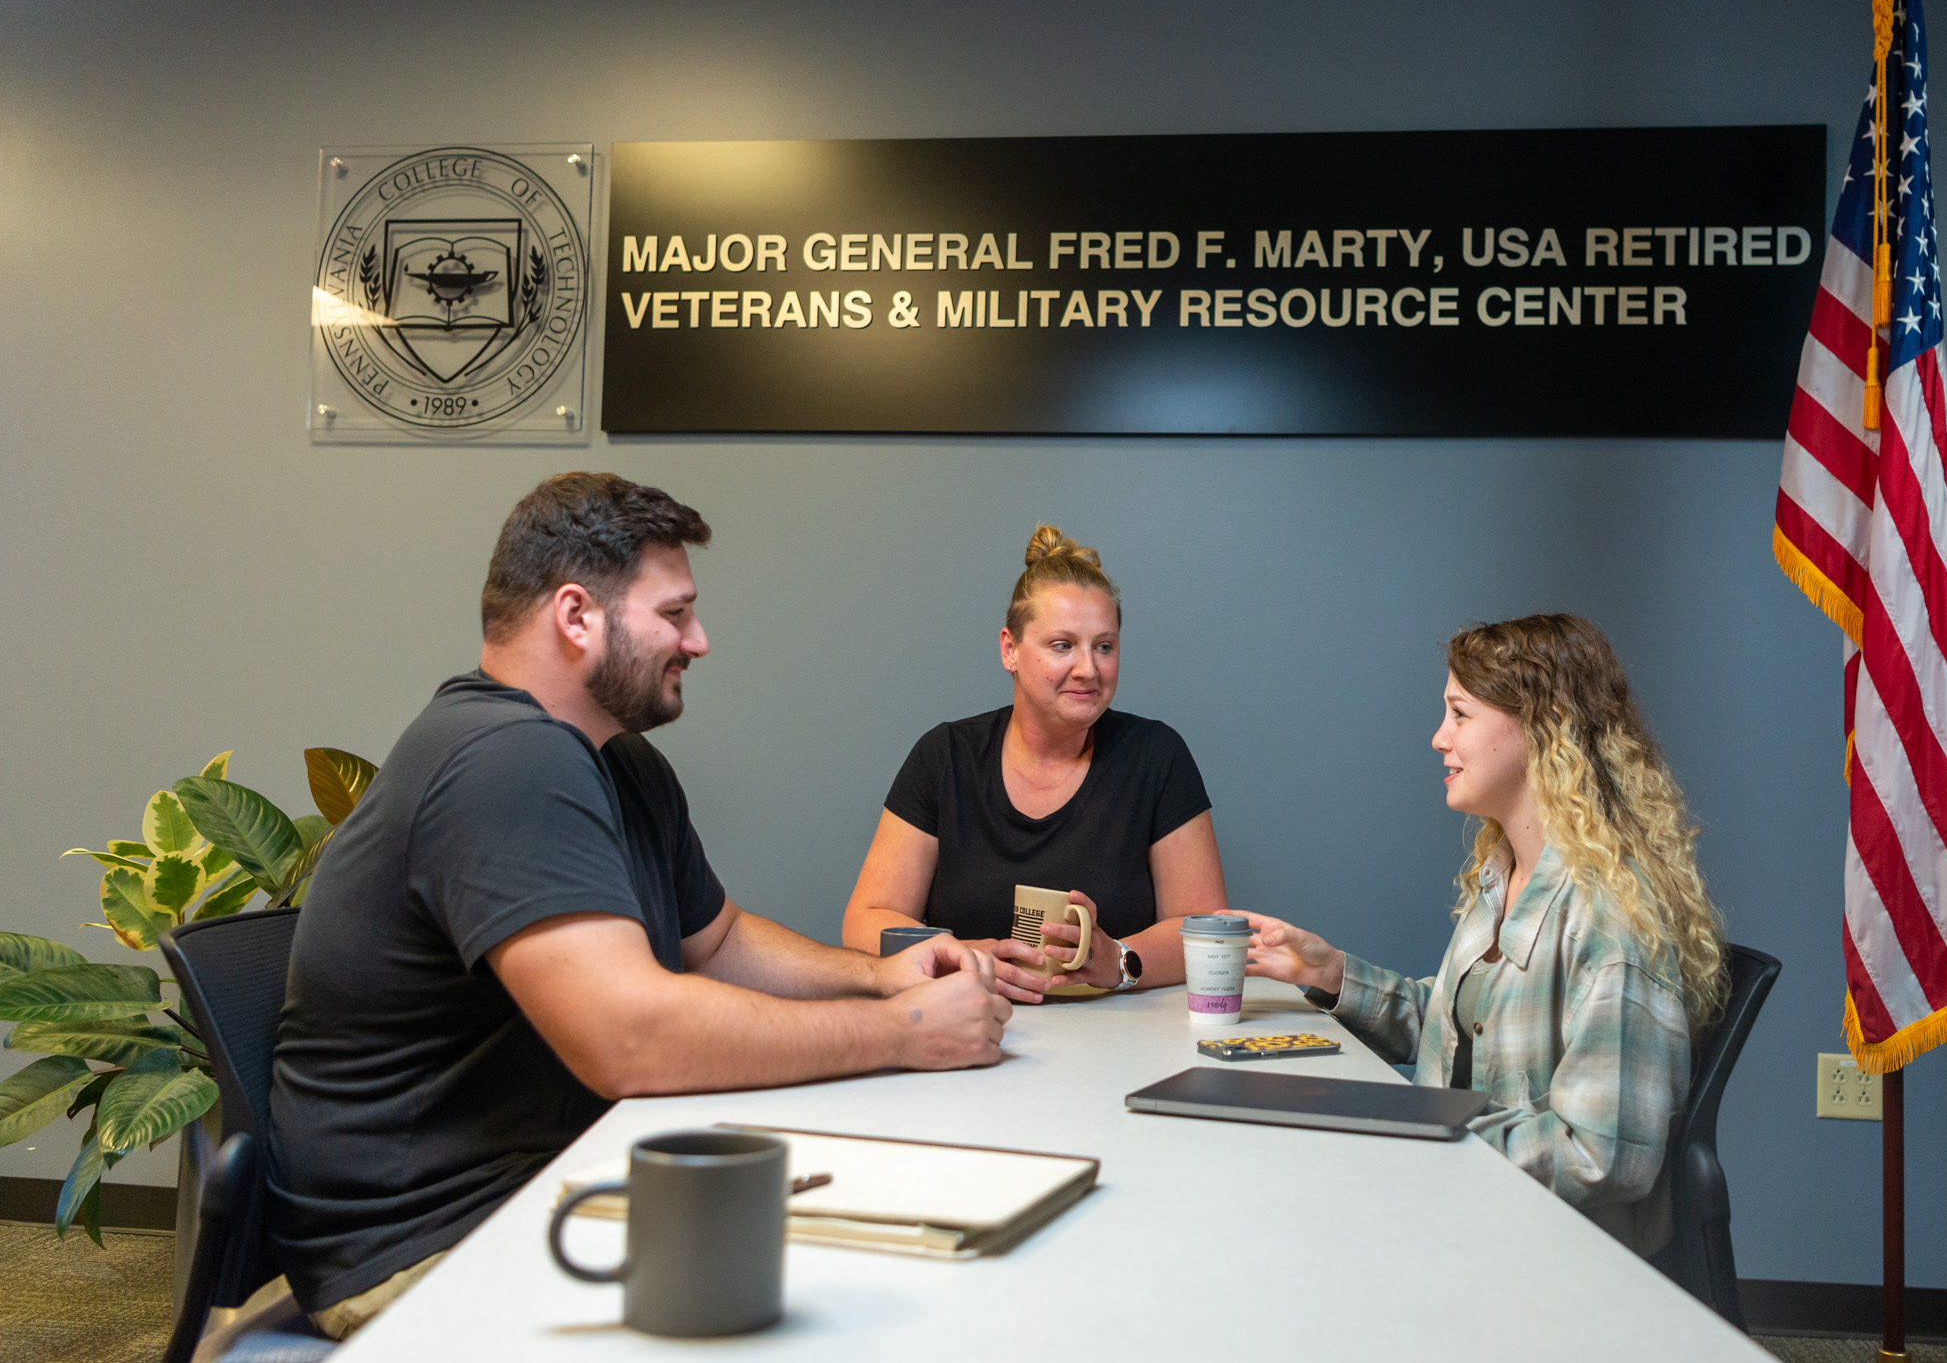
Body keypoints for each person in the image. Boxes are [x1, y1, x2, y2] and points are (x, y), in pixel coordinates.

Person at [270, 473, 1009, 1337]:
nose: (699, 640)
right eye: (674, 613)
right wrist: (905, 1034)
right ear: (578, 616)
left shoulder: (615, 760)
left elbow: (718, 941)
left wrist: (881, 979)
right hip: (429, 1249)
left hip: (557, 1185)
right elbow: (632, 1037)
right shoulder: (502, 761)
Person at [1236, 614, 1726, 1253]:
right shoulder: (1508, 874)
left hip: (1543, 1254)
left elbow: (1601, 1156)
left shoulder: (1610, 919)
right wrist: (1325, 973)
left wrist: (1420, 1135)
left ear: (1539, 728)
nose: (1439, 738)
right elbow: (1461, 1030)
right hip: (1463, 1210)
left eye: (1460, 714)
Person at [841, 525, 1228, 1002]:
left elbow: (1205, 933)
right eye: (1062, 645)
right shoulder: (945, 757)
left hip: (1120, 1043)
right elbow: (866, 919)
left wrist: (1119, 959)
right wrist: (960, 956)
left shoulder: (1156, 756)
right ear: (1010, 649)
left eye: (1104, 646)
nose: (1088, 669)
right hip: (961, 1029)